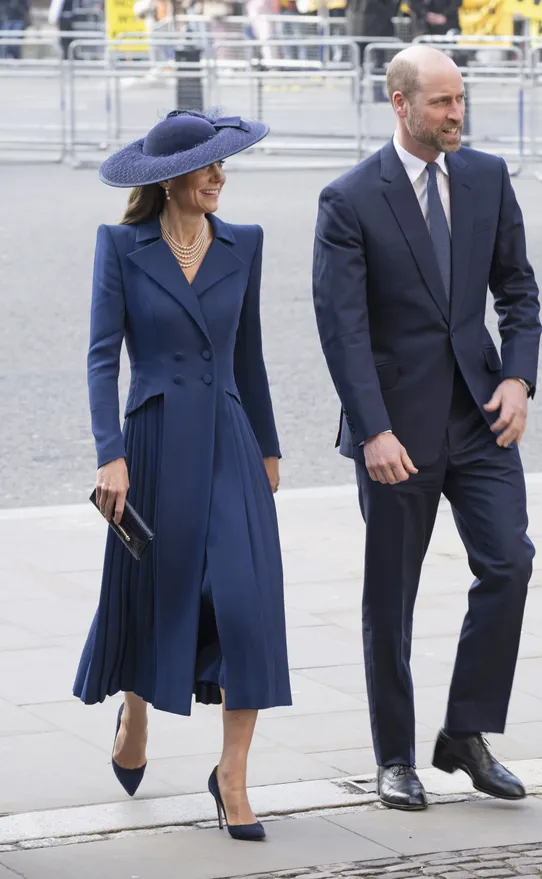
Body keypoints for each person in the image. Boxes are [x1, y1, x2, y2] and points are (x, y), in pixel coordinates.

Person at [312, 46, 541, 811]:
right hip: (396, 435)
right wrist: (372, 430)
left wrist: (517, 376)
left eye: (461, 99)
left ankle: (466, 733)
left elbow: (518, 288)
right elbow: (341, 330)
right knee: (392, 599)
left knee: (509, 563)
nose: (456, 114)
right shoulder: (348, 200)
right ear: (399, 103)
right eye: (441, 102)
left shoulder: (486, 176)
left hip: (480, 418)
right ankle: (396, 756)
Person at [74, 109, 292, 841]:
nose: (220, 176)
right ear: (170, 181)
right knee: (157, 597)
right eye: (207, 167)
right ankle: (135, 707)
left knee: (246, 604)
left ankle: (232, 775)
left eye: (222, 164)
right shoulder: (120, 246)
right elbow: (104, 356)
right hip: (156, 443)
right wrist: (111, 453)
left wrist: (268, 447)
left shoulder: (245, 243)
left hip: (230, 441)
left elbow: (250, 352)